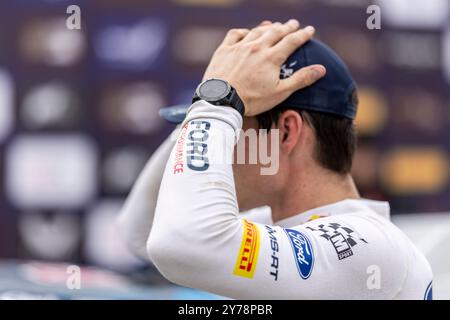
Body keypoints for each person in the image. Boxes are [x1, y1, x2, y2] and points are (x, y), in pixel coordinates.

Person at [117, 20, 433, 299]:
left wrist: (215, 106)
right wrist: (206, 109)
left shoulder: (369, 246)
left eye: (232, 126)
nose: (220, 141)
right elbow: (142, 232)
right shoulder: (277, 224)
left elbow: (178, 243)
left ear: (285, 133)